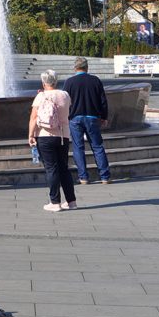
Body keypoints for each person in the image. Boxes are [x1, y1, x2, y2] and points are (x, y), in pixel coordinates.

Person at [29, 70, 76, 212]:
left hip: (44, 135)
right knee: (63, 168)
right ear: (56, 81)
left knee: (51, 168)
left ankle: (55, 202)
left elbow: (33, 117)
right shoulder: (65, 95)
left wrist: (31, 135)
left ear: (44, 82)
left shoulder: (41, 96)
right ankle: (71, 201)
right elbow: (68, 110)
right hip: (63, 136)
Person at [63, 57, 111, 185]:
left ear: (75, 68)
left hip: (75, 118)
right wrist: (104, 117)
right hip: (92, 117)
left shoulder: (69, 82)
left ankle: (83, 177)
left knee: (78, 148)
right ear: (87, 67)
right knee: (97, 146)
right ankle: (104, 176)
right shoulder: (95, 81)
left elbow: (65, 102)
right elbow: (103, 101)